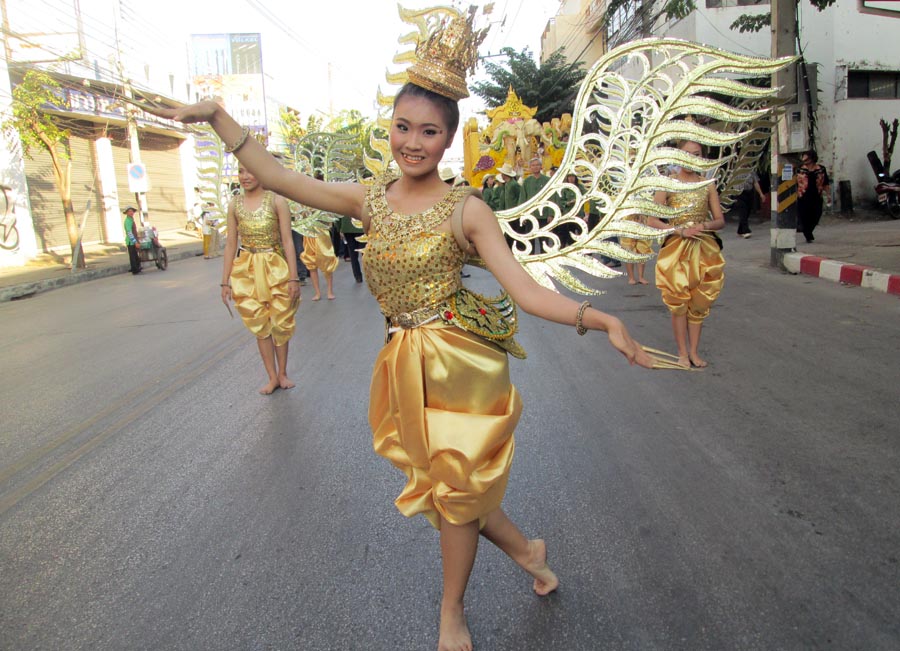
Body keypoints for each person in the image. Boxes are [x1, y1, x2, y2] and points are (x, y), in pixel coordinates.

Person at [148, 27, 653, 651]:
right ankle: (530, 553)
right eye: (403, 127)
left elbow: (525, 291)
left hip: (460, 368)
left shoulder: (466, 209)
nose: (412, 143)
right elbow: (278, 177)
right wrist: (219, 118)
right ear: (389, 127)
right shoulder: (370, 201)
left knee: (456, 496)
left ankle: (451, 613)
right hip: (403, 366)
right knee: (453, 493)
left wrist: (601, 319)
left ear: (448, 137)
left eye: (430, 131)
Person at [645, 140, 726, 369]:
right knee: (678, 301)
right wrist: (678, 230)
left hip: (704, 248)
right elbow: (652, 219)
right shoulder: (668, 184)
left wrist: (704, 226)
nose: (691, 158)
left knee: (699, 301)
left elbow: (720, 221)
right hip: (677, 248)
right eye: (687, 154)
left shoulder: (707, 184)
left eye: (696, 154)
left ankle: (694, 352)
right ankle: (682, 352)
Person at [222, 164, 301, 395]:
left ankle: (283, 373)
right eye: (241, 171)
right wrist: (225, 281)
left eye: (251, 170)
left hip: (275, 266)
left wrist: (294, 278)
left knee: (280, 321)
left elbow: (288, 241)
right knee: (259, 324)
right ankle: (272, 377)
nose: (245, 176)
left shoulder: (277, 201)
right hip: (246, 269)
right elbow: (230, 244)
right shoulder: (234, 204)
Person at [796, 150, 830, 243]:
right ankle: (807, 234)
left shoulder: (821, 169)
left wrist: (828, 194)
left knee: (816, 214)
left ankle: (809, 230)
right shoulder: (800, 169)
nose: (805, 160)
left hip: (816, 195)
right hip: (803, 195)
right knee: (804, 216)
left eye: (807, 158)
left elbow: (825, 182)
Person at [301, 227, 339, 300]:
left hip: (322, 232)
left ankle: (330, 291)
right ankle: (317, 293)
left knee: (327, 260)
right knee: (311, 262)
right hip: (308, 233)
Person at [733, 168, 765, 239]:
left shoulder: (751, 171)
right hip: (739, 194)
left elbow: (755, 183)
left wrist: (761, 194)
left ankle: (740, 230)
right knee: (743, 211)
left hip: (749, 193)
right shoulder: (735, 171)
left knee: (747, 211)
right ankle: (746, 231)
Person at [339, 212, 365, 283]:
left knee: (353, 255)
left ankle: (358, 276)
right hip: (361, 227)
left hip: (347, 227)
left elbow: (338, 214)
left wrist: (339, 228)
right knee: (365, 254)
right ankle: (370, 275)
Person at [122, 205, 142, 275]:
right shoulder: (127, 221)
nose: (131, 212)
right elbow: (129, 232)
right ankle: (134, 269)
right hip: (130, 241)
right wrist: (135, 242)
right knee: (133, 256)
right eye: (129, 211)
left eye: (132, 211)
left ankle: (137, 267)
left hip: (134, 240)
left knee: (135, 255)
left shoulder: (131, 219)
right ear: (126, 213)